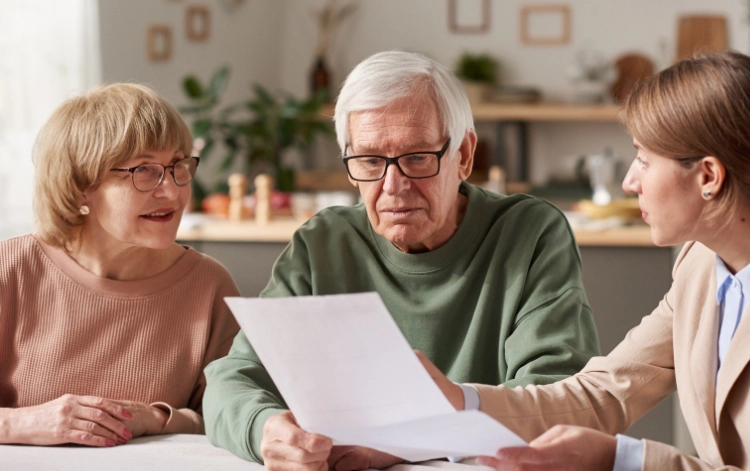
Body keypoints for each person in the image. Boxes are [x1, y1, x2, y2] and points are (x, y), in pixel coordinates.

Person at [422, 50, 750, 470]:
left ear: (708, 176)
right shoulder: (702, 263)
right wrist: (460, 402)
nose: (630, 181)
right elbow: (606, 393)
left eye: (644, 160)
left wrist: (625, 460)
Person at [203, 51, 600, 470]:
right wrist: (265, 430)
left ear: (463, 156)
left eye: (416, 157)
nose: (393, 186)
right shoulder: (323, 243)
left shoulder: (530, 233)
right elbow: (232, 380)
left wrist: (405, 445)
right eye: (370, 161)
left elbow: (559, 397)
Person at [0, 83, 240, 447]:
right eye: (144, 170)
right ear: (81, 184)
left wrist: (158, 418)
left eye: (178, 165)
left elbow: (236, 419)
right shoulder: (11, 270)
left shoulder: (209, 284)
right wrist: (22, 423)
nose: (172, 191)